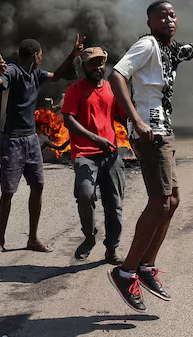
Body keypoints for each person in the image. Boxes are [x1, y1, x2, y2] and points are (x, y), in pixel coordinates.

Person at [107, 0, 193, 312]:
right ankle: (126, 271)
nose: (168, 19)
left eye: (172, 15)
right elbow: (116, 75)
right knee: (159, 201)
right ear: (150, 22)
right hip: (149, 131)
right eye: (161, 15)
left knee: (173, 200)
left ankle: (145, 265)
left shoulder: (170, 50)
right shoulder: (147, 45)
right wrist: (136, 119)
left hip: (163, 130)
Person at [0, 35, 83, 258]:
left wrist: (72, 56)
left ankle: (32, 238)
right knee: (8, 192)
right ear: (36, 55)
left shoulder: (36, 75)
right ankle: (0, 241)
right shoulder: (12, 71)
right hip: (12, 140)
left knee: (37, 186)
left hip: (31, 139)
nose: (42, 58)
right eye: (41, 55)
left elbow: (57, 76)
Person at [61, 46, 125, 264]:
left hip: (111, 154)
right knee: (86, 194)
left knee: (114, 205)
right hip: (85, 155)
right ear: (84, 66)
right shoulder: (75, 90)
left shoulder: (111, 88)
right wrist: (95, 138)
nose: (98, 67)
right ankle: (89, 236)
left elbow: (123, 114)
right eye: (92, 63)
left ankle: (112, 249)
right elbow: (68, 120)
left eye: (100, 62)